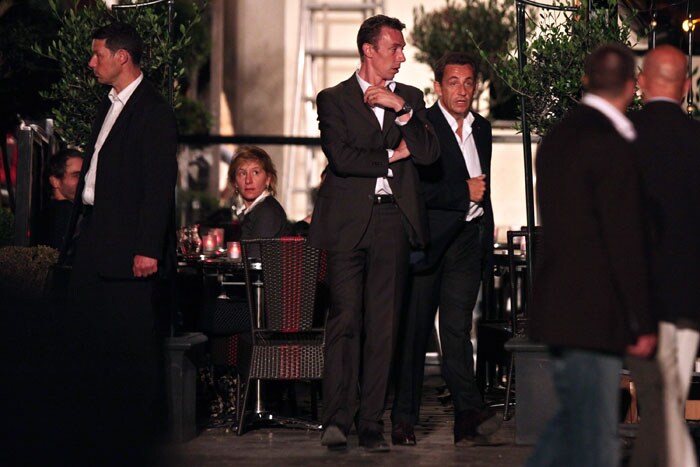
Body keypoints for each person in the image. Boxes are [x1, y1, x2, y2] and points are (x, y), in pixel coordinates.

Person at [309, 14, 439, 452]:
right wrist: (391, 157)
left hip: (392, 222)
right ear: (369, 50)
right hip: (347, 223)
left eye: (402, 49)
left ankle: (370, 421)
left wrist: (400, 110)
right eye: (395, 48)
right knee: (345, 321)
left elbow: (428, 151)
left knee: (385, 326)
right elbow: (341, 157)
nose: (402, 56)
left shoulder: (411, 99)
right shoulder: (333, 99)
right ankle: (336, 418)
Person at [527, 43, 656, 467]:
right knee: (598, 438)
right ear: (631, 85)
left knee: (573, 424)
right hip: (597, 311)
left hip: (559, 306)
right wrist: (641, 317)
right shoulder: (613, 144)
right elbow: (624, 240)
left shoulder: (558, 138)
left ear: (585, 80)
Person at [62, 21, 178, 465]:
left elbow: (157, 185)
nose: (91, 63)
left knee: (132, 344)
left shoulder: (152, 110)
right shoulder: (108, 105)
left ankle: (141, 436)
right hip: (94, 238)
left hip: (130, 248)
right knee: (87, 337)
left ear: (122, 57)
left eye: (98, 55)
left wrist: (148, 248)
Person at [391, 51, 498, 447]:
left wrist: (486, 240)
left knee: (456, 329)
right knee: (416, 333)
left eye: (468, 83)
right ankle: (403, 419)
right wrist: (461, 192)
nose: (462, 90)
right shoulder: (424, 127)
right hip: (428, 242)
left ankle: (467, 415)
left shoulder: (482, 129)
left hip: (468, 241)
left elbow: (485, 194)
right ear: (438, 86)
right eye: (453, 82)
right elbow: (415, 189)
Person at [626, 44, 700, 467]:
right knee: (668, 400)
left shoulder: (624, 137)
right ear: (686, 87)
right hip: (690, 296)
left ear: (642, 83)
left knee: (660, 402)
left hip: (642, 295)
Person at [229, 145, 289, 241]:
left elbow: (255, 255)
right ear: (235, 182)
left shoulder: (267, 212)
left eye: (255, 172)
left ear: (268, 179)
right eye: (242, 173)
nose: (248, 180)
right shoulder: (254, 210)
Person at [44, 148, 83, 249]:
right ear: (55, 181)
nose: (83, 181)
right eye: (77, 176)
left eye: (84, 175)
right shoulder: (67, 214)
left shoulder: (46, 212)